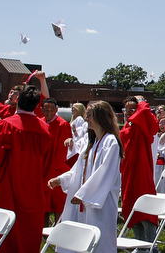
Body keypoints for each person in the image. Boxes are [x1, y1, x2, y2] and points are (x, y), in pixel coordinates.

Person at [48, 101, 122, 253]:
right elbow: (78, 171)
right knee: (78, 241)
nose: (86, 118)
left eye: (89, 115)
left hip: (99, 202)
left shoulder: (110, 142)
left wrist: (84, 195)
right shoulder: (91, 142)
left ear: (99, 117)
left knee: (99, 242)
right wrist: (61, 180)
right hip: (84, 201)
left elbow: (104, 173)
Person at [0, 86, 52, 253]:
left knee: (6, 235)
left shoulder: (5, 125)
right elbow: (46, 161)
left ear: (17, 101)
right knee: (29, 233)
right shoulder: (44, 130)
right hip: (34, 189)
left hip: (9, 186)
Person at [119, 95, 160, 245]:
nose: (128, 113)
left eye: (132, 110)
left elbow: (149, 119)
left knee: (145, 209)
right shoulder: (126, 127)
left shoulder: (142, 126)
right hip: (128, 173)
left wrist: (141, 101)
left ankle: (151, 244)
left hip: (141, 173)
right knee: (131, 207)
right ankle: (140, 244)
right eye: (126, 110)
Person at [42, 97, 73, 224]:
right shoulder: (40, 122)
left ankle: (59, 237)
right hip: (43, 171)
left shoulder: (62, 125)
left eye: (52, 110)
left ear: (56, 110)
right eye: (46, 110)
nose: (49, 113)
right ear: (41, 109)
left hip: (56, 170)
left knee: (58, 207)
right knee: (43, 208)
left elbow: (62, 153)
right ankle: (42, 239)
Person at [65, 102, 88, 167]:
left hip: (76, 142)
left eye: (73, 108)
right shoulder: (75, 119)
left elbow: (79, 134)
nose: (72, 110)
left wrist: (74, 130)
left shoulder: (79, 119)